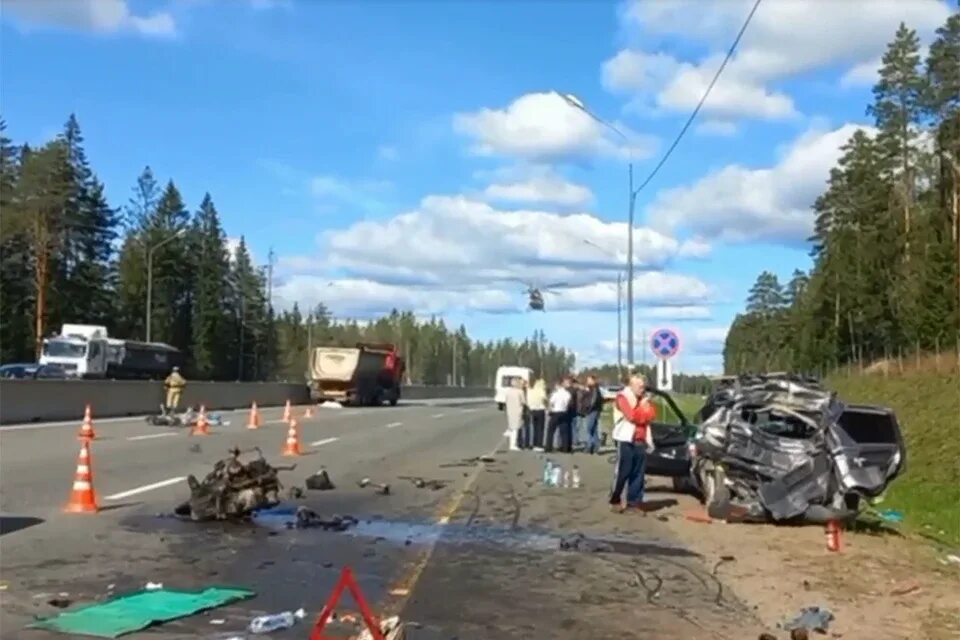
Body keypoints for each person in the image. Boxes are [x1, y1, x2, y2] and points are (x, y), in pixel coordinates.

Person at [609, 373, 656, 512]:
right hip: (625, 439)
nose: (642, 389)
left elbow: (652, 414)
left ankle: (634, 503)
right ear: (632, 385)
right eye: (640, 386)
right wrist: (643, 410)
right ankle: (616, 499)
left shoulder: (644, 399)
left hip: (641, 439)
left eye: (643, 386)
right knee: (623, 472)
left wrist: (644, 412)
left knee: (638, 474)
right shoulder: (622, 397)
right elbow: (631, 416)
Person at [577, 375, 605, 454]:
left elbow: (593, 400)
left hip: (592, 410)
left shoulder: (594, 389)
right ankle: (596, 446)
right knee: (593, 429)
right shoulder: (592, 388)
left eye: (589, 380)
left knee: (589, 428)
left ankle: (590, 446)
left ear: (593, 380)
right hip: (594, 410)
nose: (587, 381)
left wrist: (588, 408)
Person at [546, 377, 574, 453]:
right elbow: (568, 403)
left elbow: (551, 403)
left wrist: (549, 410)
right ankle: (565, 448)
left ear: (558, 386)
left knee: (551, 430)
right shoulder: (567, 394)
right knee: (564, 432)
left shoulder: (555, 394)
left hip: (556, 412)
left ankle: (548, 447)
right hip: (564, 412)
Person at [503, 377, 527, 451]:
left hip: (510, 410)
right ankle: (513, 444)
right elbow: (524, 402)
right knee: (516, 428)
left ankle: (512, 442)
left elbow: (505, 401)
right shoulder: (520, 391)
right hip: (518, 410)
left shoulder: (508, 391)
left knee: (512, 426)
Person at [526, 378, 547, 451]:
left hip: (532, 410)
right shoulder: (541, 391)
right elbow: (544, 399)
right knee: (540, 428)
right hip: (540, 410)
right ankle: (539, 445)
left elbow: (528, 401)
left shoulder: (531, 391)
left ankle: (534, 443)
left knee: (534, 427)